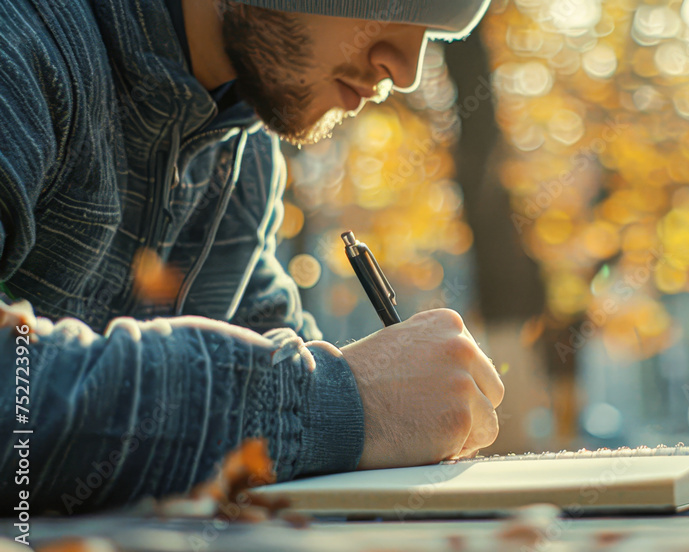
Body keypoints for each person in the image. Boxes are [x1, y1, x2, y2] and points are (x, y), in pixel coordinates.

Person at [0, 0, 503, 514]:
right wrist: (347, 404)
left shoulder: (245, 153)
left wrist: (390, 421)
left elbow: (288, 362)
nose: (406, 69)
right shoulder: (21, 44)